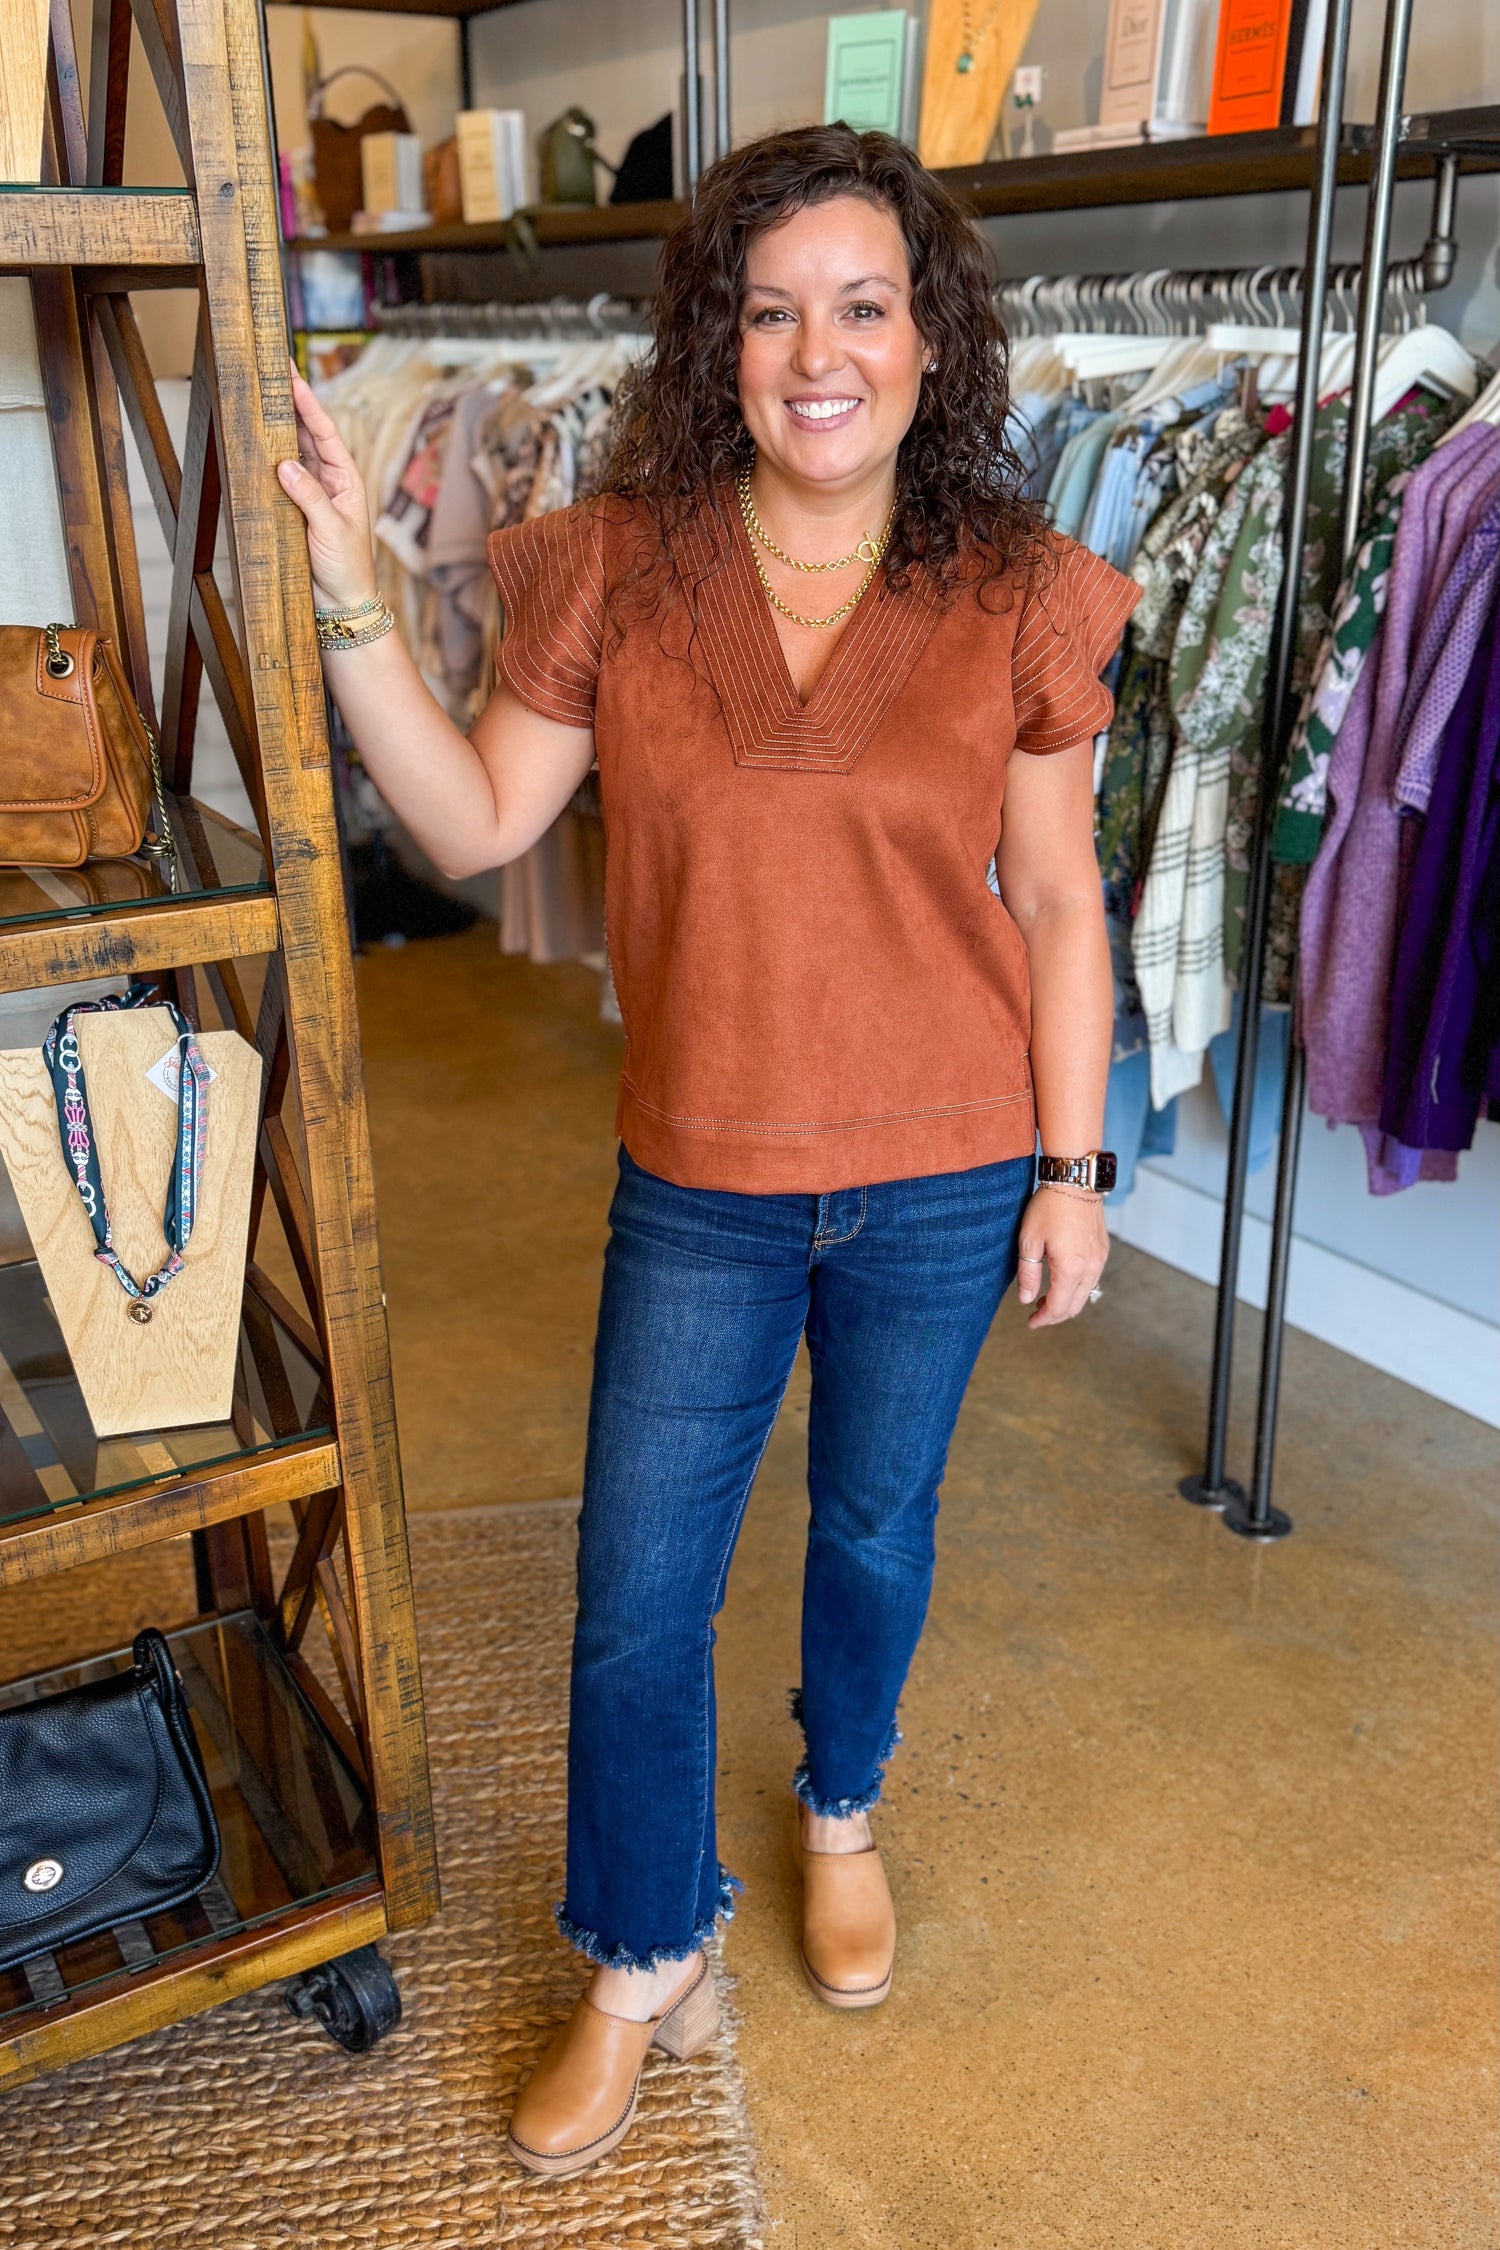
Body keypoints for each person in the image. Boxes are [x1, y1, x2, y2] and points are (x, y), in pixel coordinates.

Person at [280, 123, 1133, 2179]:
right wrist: (349, 603)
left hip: (946, 1166)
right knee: (638, 1593)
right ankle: (642, 1951)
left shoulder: (1026, 591)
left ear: (931, 342)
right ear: (717, 344)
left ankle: (843, 1808)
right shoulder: (612, 563)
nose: (815, 353)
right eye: (770, 313)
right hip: (704, 1179)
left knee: (871, 1533)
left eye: (862, 307)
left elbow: (1060, 896)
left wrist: (1073, 1168)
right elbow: (478, 826)